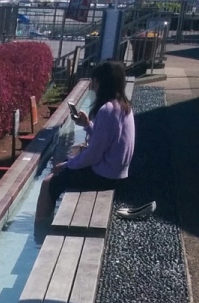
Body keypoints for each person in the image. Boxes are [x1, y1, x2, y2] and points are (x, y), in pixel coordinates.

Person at [36, 60, 135, 220]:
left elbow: (93, 156)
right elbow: (107, 140)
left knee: (48, 183)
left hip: (104, 177)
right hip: (116, 174)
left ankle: (40, 229)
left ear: (101, 82)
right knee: (70, 160)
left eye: (94, 81)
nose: (92, 86)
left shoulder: (107, 110)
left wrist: (67, 165)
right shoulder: (124, 107)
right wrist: (88, 125)